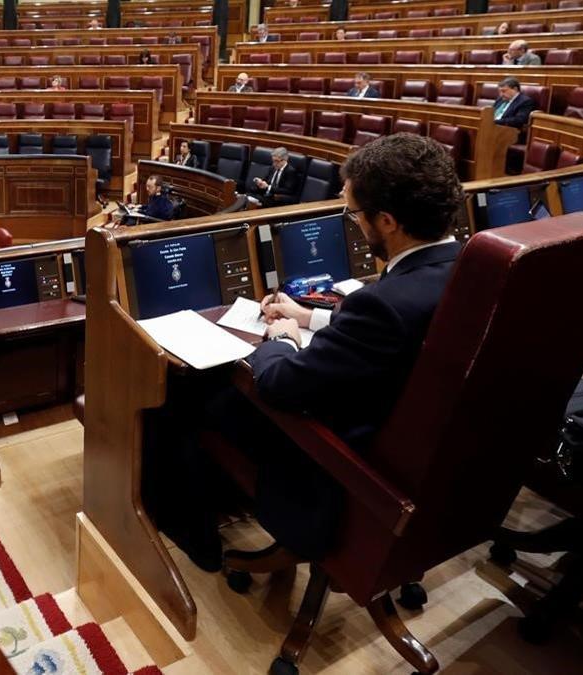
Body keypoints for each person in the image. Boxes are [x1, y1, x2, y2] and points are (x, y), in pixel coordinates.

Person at [154, 134, 465, 567]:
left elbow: (280, 385)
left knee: (186, 395)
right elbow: (389, 338)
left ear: (389, 221)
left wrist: (282, 338)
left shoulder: (381, 305)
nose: (352, 221)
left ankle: (199, 540)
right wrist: (309, 318)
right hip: (423, 461)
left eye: (354, 212)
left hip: (343, 466)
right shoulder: (467, 268)